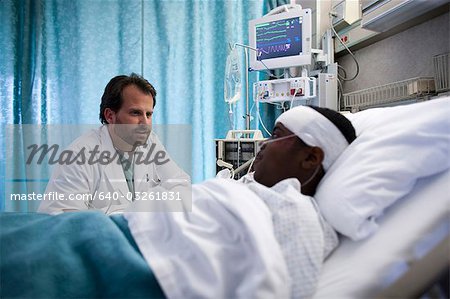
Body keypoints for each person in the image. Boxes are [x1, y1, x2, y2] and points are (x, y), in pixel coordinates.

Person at [2, 105, 356, 299]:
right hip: (104, 230)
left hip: (131, 257)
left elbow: (292, 283)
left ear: (311, 158)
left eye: (276, 137)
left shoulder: (296, 212)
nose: (262, 145)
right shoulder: (242, 189)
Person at [38, 73, 190, 214]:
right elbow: (64, 219)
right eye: (135, 113)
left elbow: (182, 188)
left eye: (148, 114)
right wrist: (139, 211)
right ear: (110, 116)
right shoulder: (78, 155)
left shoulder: (150, 142)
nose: (145, 123)